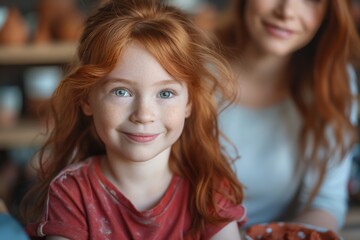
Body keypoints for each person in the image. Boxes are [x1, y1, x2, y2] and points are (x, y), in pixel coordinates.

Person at [21, 0, 246, 239]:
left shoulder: (208, 191)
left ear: (189, 103)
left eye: (165, 93)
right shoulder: (72, 191)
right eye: (121, 91)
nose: (143, 115)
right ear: (87, 99)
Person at [216, 0, 360, 232]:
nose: (286, 11)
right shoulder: (187, 63)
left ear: (329, 11)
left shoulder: (333, 84)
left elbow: (324, 203)